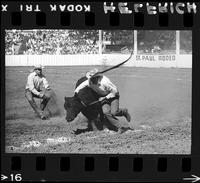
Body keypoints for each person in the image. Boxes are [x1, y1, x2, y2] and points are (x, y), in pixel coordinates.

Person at [75, 68, 132, 133]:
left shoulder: (105, 82)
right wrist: (76, 92)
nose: (90, 79)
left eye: (92, 78)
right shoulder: (90, 81)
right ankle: (120, 127)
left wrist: (105, 97)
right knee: (106, 112)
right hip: (103, 97)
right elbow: (82, 86)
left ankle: (124, 111)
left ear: (97, 77)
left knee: (114, 112)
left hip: (113, 96)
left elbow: (115, 91)